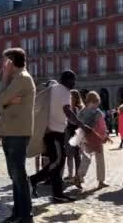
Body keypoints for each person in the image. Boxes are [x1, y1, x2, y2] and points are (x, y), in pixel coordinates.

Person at [0, 48, 35, 223]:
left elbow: (0, 99)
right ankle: (18, 211)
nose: (4, 66)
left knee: (18, 173)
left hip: (17, 132)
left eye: (6, 62)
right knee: (14, 174)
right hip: (10, 130)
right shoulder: (16, 80)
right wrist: (6, 102)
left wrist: (5, 81)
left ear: (12, 62)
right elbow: (0, 104)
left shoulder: (22, 79)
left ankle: (25, 214)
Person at [29, 71, 78, 202]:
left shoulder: (53, 89)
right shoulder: (64, 92)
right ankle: (34, 179)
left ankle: (57, 194)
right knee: (57, 161)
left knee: (57, 162)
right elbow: (67, 110)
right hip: (54, 132)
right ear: (67, 80)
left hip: (51, 131)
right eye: (73, 80)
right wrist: (81, 124)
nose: (75, 83)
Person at [77, 91, 111, 189]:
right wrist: (104, 136)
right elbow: (102, 126)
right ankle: (101, 180)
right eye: (96, 102)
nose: (97, 104)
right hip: (96, 138)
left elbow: (79, 124)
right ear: (95, 101)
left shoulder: (82, 111)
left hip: (86, 137)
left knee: (86, 159)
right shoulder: (97, 112)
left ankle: (79, 177)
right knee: (99, 160)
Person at [64, 89, 84, 189]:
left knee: (77, 155)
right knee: (70, 154)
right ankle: (73, 175)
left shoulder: (78, 108)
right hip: (69, 131)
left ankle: (78, 177)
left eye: (71, 97)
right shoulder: (68, 108)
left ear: (75, 98)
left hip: (76, 132)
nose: (69, 99)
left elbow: (78, 121)